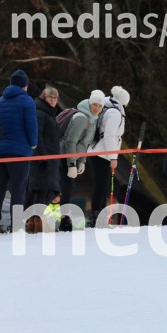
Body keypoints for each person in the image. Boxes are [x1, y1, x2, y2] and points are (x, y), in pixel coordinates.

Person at [0, 70, 38, 233]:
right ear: (25, 85)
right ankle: (17, 224)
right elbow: (32, 127)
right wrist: (33, 145)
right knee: (18, 190)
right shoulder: (27, 101)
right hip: (19, 152)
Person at [58, 90, 105, 231]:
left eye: (100, 106)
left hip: (73, 157)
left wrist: (82, 160)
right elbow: (70, 142)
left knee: (68, 188)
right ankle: (63, 221)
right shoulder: (81, 118)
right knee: (64, 188)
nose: (96, 108)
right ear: (89, 103)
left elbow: (85, 143)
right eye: (94, 104)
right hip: (64, 156)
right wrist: (71, 163)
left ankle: (64, 219)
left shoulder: (93, 119)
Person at [88, 86, 130, 225]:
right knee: (102, 186)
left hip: (97, 151)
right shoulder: (115, 113)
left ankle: (97, 216)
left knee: (101, 186)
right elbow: (110, 136)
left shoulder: (106, 106)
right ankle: (97, 217)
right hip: (103, 153)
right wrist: (113, 157)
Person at [25, 86, 61, 233]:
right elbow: (37, 136)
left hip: (50, 159)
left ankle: (34, 222)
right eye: (50, 97)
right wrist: (42, 157)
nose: (52, 99)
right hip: (43, 159)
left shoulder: (50, 113)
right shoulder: (40, 113)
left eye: (55, 97)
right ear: (43, 98)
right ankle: (36, 223)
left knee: (44, 192)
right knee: (47, 191)